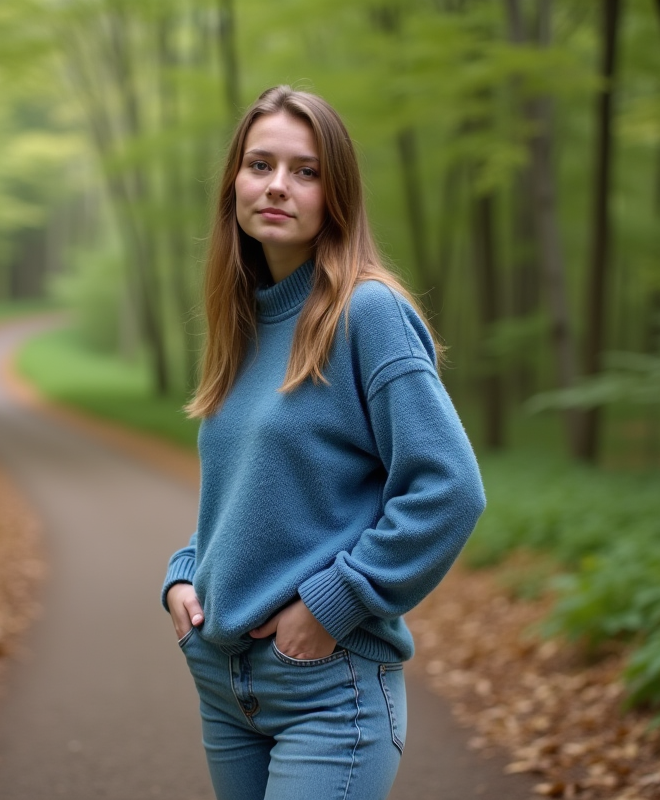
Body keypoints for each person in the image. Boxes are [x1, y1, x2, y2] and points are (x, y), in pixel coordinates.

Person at [162, 85, 486, 800]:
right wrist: (185, 572)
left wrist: (334, 602)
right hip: (225, 684)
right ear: (234, 185)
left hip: (325, 689)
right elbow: (246, 492)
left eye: (305, 171)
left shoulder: (368, 314)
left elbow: (449, 489)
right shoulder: (243, 322)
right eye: (260, 165)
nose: (278, 186)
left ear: (336, 195)